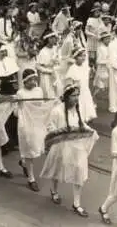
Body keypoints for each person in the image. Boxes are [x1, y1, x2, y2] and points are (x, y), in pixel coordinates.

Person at [40, 82, 99, 217]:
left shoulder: (78, 110)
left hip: (76, 146)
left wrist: (91, 131)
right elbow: (49, 127)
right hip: (61, 145)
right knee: (56, 169)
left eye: (78, 95)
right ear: (66, 97)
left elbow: (82, 124)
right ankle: (54, 191)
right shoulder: (57, 110)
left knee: (79, 170)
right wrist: (61, 131)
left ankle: (76, 203)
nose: (76, 98)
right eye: (73, 95)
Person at [16, 68, 56, 192]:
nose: (33, 82)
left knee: (36, 148)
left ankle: (24, 163)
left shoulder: (39, 90)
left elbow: (42, 106)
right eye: (30, 80)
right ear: (25, 81)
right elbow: (16, 112)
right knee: (29, 150)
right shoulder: (20, 93)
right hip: (26, 124)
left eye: (35, 79)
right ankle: (31, 179)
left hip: (38, 123)